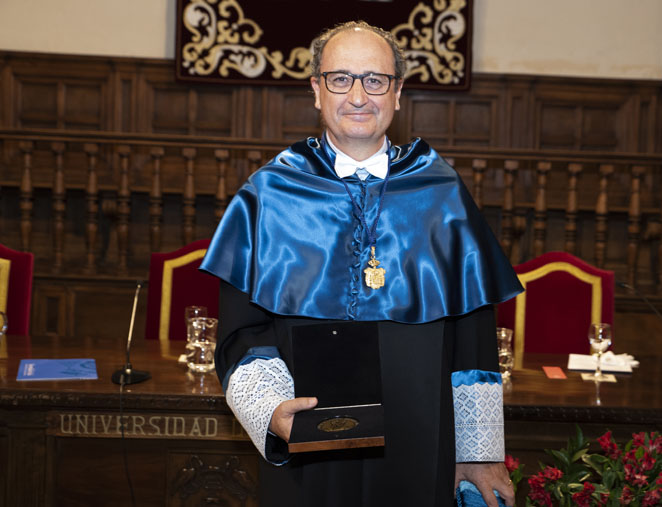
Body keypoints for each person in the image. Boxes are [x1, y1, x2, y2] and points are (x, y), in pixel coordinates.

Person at [201, 20, 523, 507]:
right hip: (307, 445)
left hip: (419, 444)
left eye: (375, 80)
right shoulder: (269, 195)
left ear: (397, 94)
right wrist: (270, 410)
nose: (358, 96)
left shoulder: (442, 195)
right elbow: (242, 333)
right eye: (341, 78)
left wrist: (480, 452)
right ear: (316, 90)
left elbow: (474, 338)